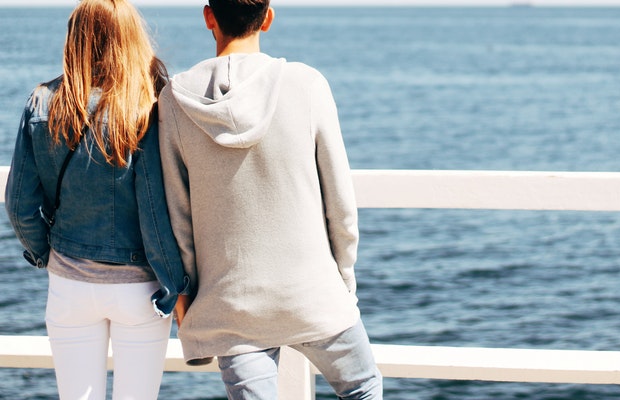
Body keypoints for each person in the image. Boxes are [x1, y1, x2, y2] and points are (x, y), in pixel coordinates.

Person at [157, 0, 383, 398]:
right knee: (363, 387)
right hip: (314, 294)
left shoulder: (174, 100)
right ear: (268, 17)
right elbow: (341, 208)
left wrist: (189, 296)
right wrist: (343, 285)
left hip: (229, 307)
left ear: (209, 17)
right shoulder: (307, 85)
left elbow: (178, 217)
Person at [4, 0, 191, 399]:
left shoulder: (42, 103)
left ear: (75, 40)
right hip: (139, 287)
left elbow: (19, 205)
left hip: (70, 283)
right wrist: (175, 281)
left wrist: (45, 253)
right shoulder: (147, 108)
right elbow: (159, 208)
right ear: (129, 40)